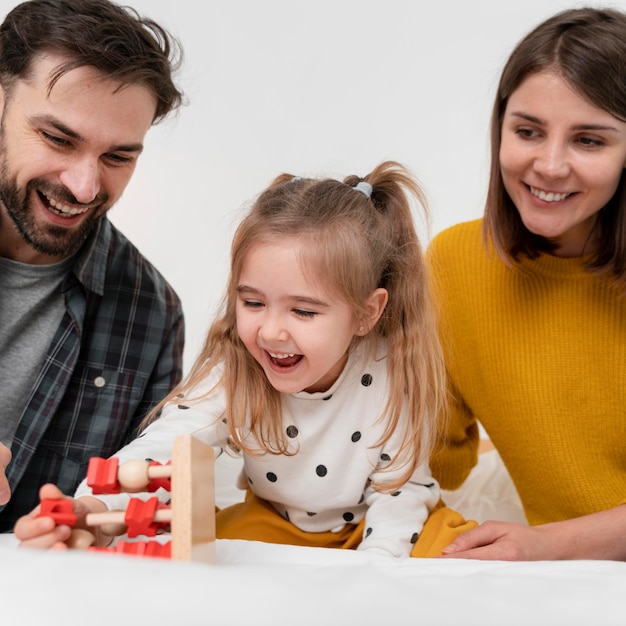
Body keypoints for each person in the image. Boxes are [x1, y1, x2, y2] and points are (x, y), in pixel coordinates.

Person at [15, 161, 476, 557]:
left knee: (457, 554)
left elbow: (398, 491)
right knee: (213, 547)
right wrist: (93, 507)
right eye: (253, 303)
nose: (271, 331)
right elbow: (169, 445)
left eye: (303, 310)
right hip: (275, 521)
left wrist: (372, 569)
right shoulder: (237, 370)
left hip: (380, 521)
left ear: (365, 313)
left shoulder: (394, 372)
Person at [427, 7, 626, 561]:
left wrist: (545, 546)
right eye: (528, 131)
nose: (550, 165)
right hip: (567, 587)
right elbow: (430, 456)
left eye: (589, 140)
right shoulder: (456, 262)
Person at [0, 0, 186, 532]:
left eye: (117, 157)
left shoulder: (153, 313)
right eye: (59, 139)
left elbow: (132, 517)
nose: (84, 187)